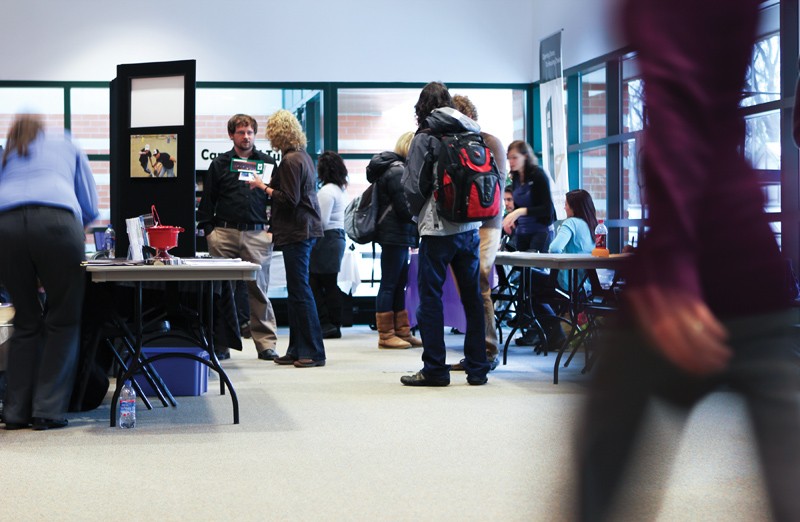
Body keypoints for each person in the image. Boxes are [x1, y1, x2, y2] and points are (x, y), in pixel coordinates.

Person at [577, 1, 800, 521]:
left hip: (686, 263)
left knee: (599, 478)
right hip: (750, 253)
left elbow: (677, 111)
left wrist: (675, 264)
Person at [0, 113, 99, 430]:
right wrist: (61, 247)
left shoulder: (9, 148)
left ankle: (14, 413)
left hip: (6, 227)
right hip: (57, 222)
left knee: (26, 320)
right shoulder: (66, 141)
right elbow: (90, 205)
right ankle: (47, 411)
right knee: (63, 319)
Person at [399, 81, 490, 386]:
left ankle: (435, 369)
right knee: (473, 298)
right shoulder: (472, 131)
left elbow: (412, 185)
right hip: (470, 228)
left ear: (421, 107)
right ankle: (478, 367)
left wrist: (416, 216)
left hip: (437, 229)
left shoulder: (425, 135)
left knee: (431, 299)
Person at [196, 114, 280, 361]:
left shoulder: (266, 162)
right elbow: (208, 200)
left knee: (259, 291)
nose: (246, 137)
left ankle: (266, 344)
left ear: (255, 135)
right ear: (232, 135)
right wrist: (209, 232)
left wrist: (272, 230)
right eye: (241, 132)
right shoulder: (220, 164)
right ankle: (222, 344)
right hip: (224, 234)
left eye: (250, 132)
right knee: (223, 292)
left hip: (257, 234)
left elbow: (275, 198)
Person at [250, 110, 326, 368]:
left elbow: (290, 199)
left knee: (301, 291)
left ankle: (313, 352)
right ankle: (297, 349)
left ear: (277, 133)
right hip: (302, 230)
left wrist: (263, 187)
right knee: (297, 292)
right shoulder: (302, 157)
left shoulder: (291, 161)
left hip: (298, 231)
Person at [451, 94, 507, 371]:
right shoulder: (487, 142)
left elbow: (494, 190)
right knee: (472, 288)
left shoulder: (488, 142)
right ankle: (478, 350)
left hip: (484, 224)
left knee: (479, 286)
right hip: (476, 224)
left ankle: (486, 350)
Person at [366, 131, 421, 349]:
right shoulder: (398, 171)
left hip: (396, 234)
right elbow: (404, 208)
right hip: (394, 234)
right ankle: (386, 334)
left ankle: (402, 331)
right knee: (390, 283)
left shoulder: (394, 169)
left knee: (398, 283)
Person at [528, 189, 597, 352]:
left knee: (528, 281)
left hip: (566, 282)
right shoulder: (592, 224)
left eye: (566, 204)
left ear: (574, 207)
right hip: (583, 285)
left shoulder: (571, 222)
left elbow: (555, 248)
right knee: (534, 290)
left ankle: (554, 333)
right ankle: (553, 334)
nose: (564, 208)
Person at [309, 151, 348, 340]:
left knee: (316, 282)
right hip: (337, 237)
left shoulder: (326, 191)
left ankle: (327, 323)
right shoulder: (339, 189)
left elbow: (321, 222)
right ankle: (334, 322)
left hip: (327, 239)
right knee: (329, 283)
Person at [502, 140, 556, 253]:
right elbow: (518, 205)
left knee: (535, 269)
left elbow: (547, 209)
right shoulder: (516, 177)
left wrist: (519, 212)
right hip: (522, 231)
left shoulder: (538, 175)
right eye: (509, 158)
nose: (511, 161)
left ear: (525, 156)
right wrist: (512, 221)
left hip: (540, 231)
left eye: (514, 157)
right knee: (521, 269)